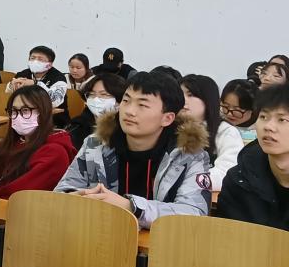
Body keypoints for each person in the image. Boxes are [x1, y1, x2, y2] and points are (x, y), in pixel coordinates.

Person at [55, 71, 211, 229]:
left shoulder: (189, 155)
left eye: (142, 105)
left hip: (159, 242)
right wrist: (74, 198)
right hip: (100, 236)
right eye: (126, 100)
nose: (129, 111)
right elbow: (61, 192)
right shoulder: (96, 144)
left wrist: (131, 206)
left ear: (167, 118)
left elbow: (194, 213)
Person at [216, 84, 289, 232]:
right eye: (263, 117)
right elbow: (226, 238)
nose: (268, 126)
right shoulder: (238, 180)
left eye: (282, 120)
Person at [0, 86, 75, 198]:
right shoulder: (14, 143)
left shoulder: (55, 152)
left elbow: (18, 193)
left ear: (42, 112)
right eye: (14, 111)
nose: (18, 116)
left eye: (25, 110)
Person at [181, 74, 243, 191]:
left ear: (207, 100)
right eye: (180, 94)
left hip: (204, 195)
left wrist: (188, 181)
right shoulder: (170, 128)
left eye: (190, 95)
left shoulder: (226, 132)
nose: (183, 99)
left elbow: (227, 172)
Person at [6, 45, 68, 123]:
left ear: (50, 64)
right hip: (24, 117)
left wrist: (35, 84)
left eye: (40, 59)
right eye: (32, 58)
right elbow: (8, 92)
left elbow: (55, 101)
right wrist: (12, 85)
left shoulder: (58, 77)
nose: (35, 61)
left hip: (53, 120)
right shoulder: (23, 73)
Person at [67, 73, 128, 151]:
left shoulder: (127, 128)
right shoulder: (78, 126)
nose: (96, 99)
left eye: (104, 94)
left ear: (120, 100)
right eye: (91, 94)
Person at [221, 79, 258, 144]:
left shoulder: (261, 131)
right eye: (226, 106)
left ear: (253, 109)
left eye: (237, 110)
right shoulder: (216, 120)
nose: (229, 114)